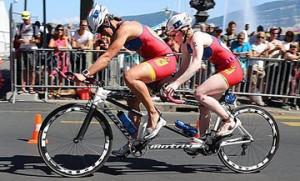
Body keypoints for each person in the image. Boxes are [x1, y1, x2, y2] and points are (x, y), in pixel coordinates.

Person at [72, 4, 177, 156]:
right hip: (154, 62)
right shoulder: (116, 33)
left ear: (107, 21)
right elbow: (106, 55)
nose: (103, 34)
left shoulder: (125, 28)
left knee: (129, 75)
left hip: (166, 60)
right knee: (132, 100)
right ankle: (133, 143)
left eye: (101, 30)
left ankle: (154, 114)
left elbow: (108, 57)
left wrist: (85, 73)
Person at [164, 13, 243, 142]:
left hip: (232, 69)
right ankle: (204, 140)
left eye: (174, 34)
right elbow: (182, 70)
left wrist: (176, 84)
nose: (172, 39)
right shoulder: (185, 45)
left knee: (199, 93)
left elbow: (195, 64)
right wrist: (165, 82)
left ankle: (229, 121)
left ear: (184, 30)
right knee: (203, 105)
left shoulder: (197, 37)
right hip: (222, 70)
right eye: (170, 35)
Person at [15, 11, 41, 94]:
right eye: (24, 19)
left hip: (32, 50)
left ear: (30, 18)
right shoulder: (19, 26)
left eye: (26, 19)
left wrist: (30, 41)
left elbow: (39, 40)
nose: (25, 21)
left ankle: (31, 88)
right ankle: (23, 87)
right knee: (23, 69)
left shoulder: (34, 27)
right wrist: (20, 40)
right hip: (23, 49)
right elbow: (16, 39)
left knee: (32, 70)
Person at [48, 24, 70, 99]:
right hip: (55, 59)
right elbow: (50, 45)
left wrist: (60, 47)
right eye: (58, 29)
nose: (60, 31)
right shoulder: (53, 38)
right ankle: (51, 91)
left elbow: (67, 47)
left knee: (61, 77)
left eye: (61, 30)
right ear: (56, 31)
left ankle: (58, 92)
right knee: (52, 76)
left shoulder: (65, 38)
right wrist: (56, 47)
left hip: (63, 60)